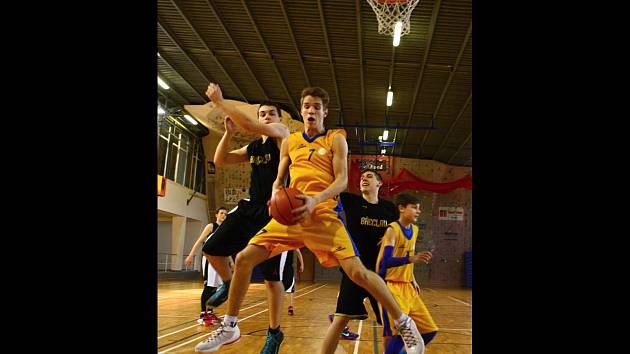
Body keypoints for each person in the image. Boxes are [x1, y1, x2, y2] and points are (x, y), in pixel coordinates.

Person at [195, 86, 424, 354]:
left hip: (323, 214)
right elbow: (280, 177)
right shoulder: (291, 141)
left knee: (358, 273)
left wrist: (315, 199)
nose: (311, 110)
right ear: (301, 111)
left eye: (316, 106)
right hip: (290, 216)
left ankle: (404, 322)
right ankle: (231, 326)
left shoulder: (336, 139)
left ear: (325, 112)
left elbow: (341, 181)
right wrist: (275, 193)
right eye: (306, 106)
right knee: (244, 258)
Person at [200, 83, 294, 353]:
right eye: (262, 113)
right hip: (249, 207)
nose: (266, 117)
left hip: (273, 213)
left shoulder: (283, 135)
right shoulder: (254, 148)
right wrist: (227, 134)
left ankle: (274, 333)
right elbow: (221, 160)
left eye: (270, 114)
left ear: (280, 119)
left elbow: (253, 126)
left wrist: (220, 102)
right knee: (212, 249)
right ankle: (230, 284)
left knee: (272, 280)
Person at [321, 169, 398, 351]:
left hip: (380, 274)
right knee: (340, 321)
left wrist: (390, 235)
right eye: (362, 177)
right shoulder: (351, 200)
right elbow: (330, 190)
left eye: (369, 177)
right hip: (355, 271)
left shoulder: (389, 208)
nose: (364, 179)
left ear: (379, 184)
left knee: (391, 324)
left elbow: (401, 236)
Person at [376, 193, 438, 354]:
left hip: (408, 288)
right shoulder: (392, 230)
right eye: (414, 208)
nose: (418, 211)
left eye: (419, 209)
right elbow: (386, 262)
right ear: (402, 208)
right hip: (391, 287)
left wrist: (413, 278)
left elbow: (409, 257)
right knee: (397, 333)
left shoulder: (415, 230)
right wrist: (412, 258)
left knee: (429, 331)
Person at [185, 207, 228, 325]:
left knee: (215, 288)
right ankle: (203, 314)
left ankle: (210, 312)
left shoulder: (225, 229)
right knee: (208, 286)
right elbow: (199, 241)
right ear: (216, 215)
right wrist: (190, 255)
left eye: (225, 213)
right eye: (221, 213)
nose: (224, 215)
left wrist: (231, 263)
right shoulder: (211, 227)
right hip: (210, 260)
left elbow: (225, 248)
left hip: (220, 260)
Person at [285, 248, 303, 316]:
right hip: (278, 268)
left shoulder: (291, 242)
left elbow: (298, 252)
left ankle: (290, 307)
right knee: (275, 287)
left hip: (288, 268)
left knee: (290, 289)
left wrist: (302, 264)